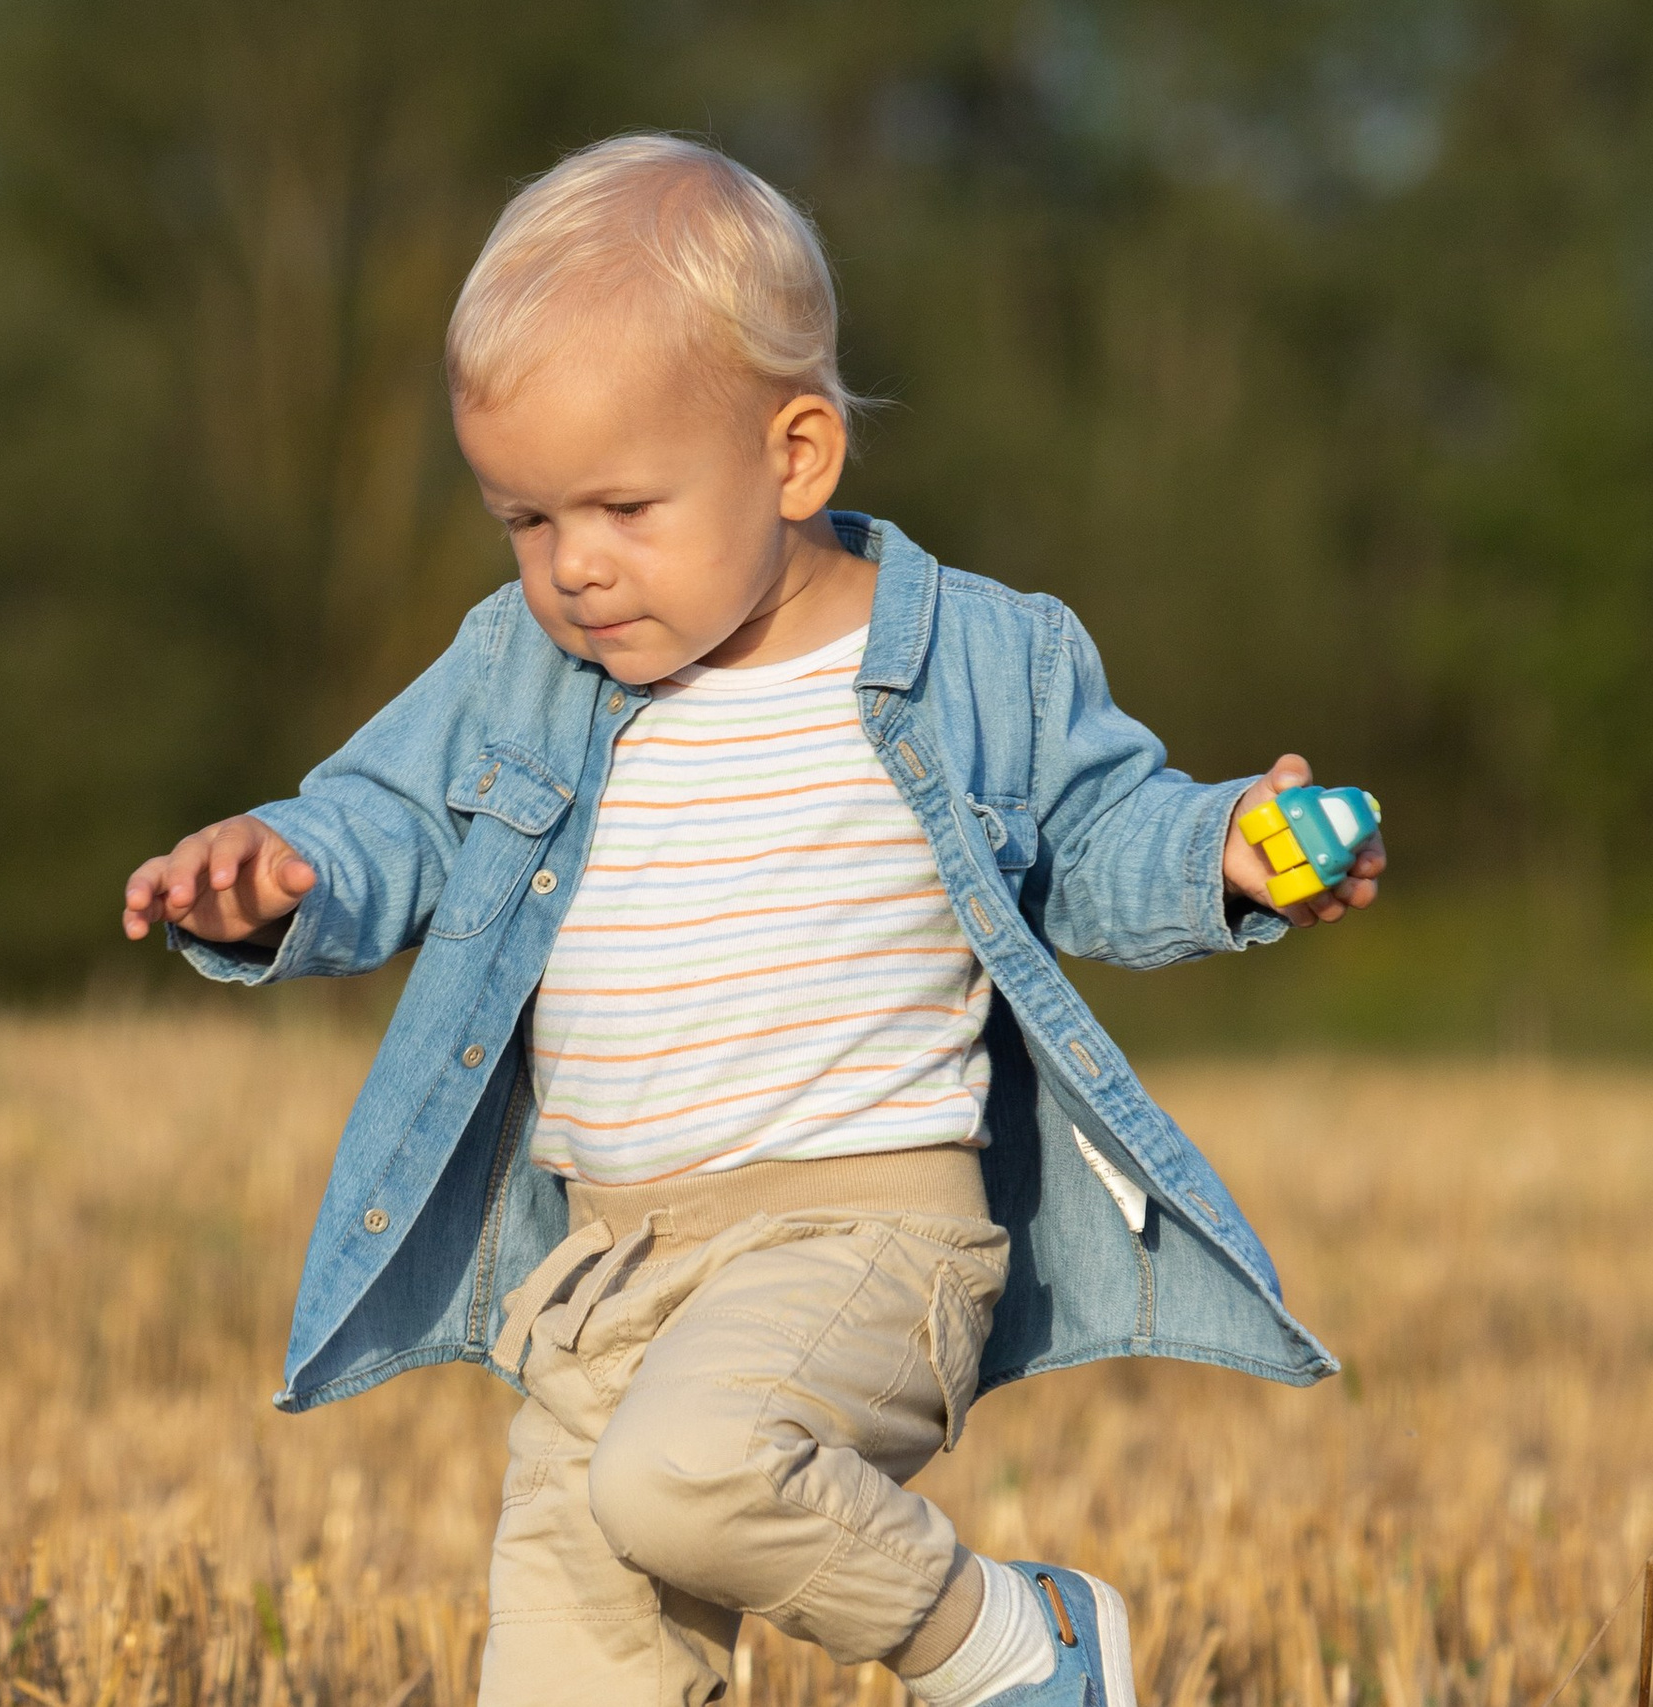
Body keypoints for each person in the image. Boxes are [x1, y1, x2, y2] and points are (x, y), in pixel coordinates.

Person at [117, 133, 1385, 1707]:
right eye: (525, 521)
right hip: (603, 1274)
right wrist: (278, 880)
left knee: (690, 1474)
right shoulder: (518, 674)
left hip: (867, 1239)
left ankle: (1014, 1646)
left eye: (623, 507)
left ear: (796, 457)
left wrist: (1228, 854)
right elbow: (384, 823)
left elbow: (1098, 836)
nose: (574, 569)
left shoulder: (977, 659)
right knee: (564, 1680)